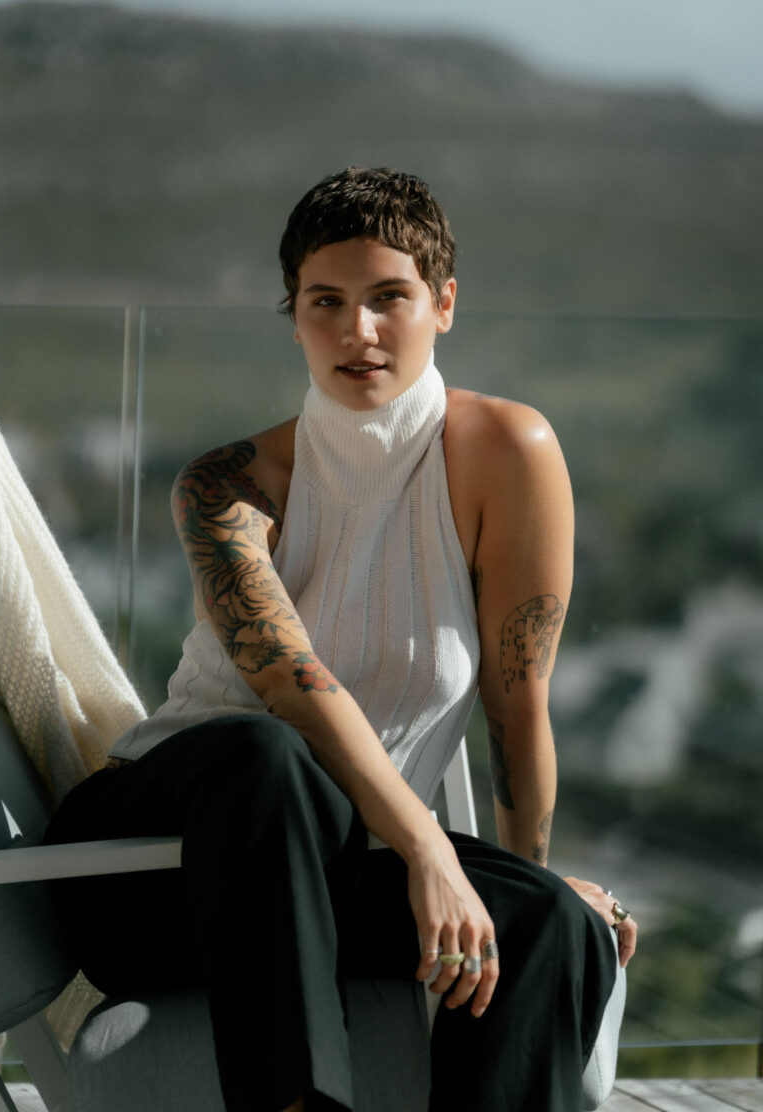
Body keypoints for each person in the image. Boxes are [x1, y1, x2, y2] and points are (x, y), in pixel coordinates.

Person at [45, 167, 637, 1112]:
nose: (358, 330)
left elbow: (517, 708)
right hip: (154, 871)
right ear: (295, 317)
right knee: (265, 750)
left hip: (339, 871)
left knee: (551, 924)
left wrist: (517, 880)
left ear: (444, 304)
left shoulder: (507, 454)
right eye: (326, 301)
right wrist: (433, 856)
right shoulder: (226, 485)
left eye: (389, 297)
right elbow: (295, 688)